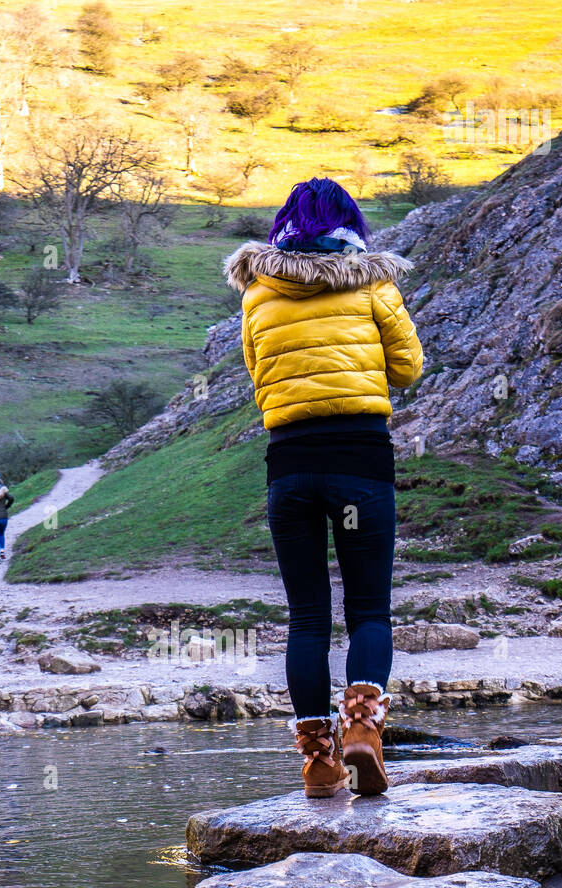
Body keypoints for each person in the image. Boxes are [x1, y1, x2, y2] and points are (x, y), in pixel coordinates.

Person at [224, 176, 423, 798]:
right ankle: (362, 728)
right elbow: (409, 369)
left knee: (307, 616)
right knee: (368, 609)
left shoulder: (259, 296)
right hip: (361, 460)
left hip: (290, 466)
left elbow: (260, 374)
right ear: (350, 225)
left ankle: (317, 761)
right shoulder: (373, 284)